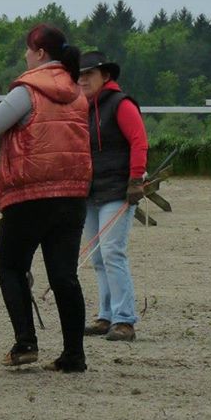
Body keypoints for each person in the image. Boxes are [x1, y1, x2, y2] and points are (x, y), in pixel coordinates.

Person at [0, 23, 92, 372]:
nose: (25, 55)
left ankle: (25, 343)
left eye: (28, 49)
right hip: (72, 196)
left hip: (29, 196)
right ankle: (74, 354)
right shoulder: (77, 92)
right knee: (64, 277)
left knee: (11, 267)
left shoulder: (27, 91)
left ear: (40, 53)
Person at [77, 51, 148, 342]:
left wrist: (135, 179)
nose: (82, 80)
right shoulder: (84, 107)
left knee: (112, 253)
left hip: (117, 191)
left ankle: (125, 320)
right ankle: (106, 315)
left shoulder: (121, 104)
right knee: (98, 258)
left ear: (105, 76)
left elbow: (139, 141)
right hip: (92, 191)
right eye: (79, 75)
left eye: (88, 74)